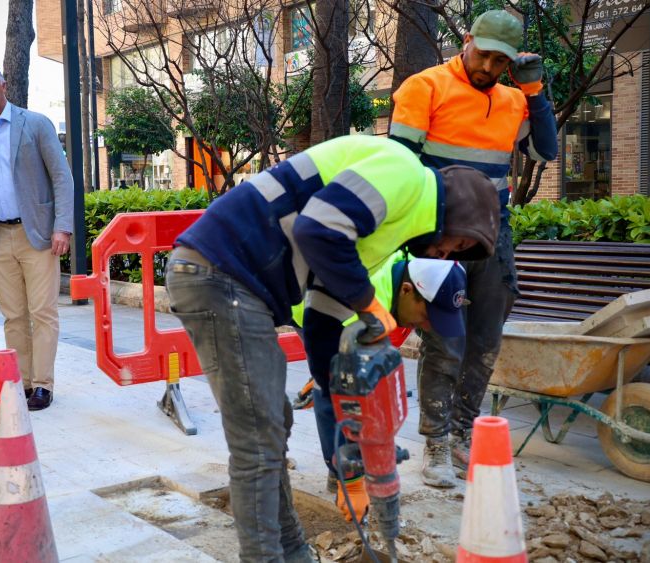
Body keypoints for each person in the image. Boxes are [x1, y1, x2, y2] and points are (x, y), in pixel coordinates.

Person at [165, 133, 500, 561]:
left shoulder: (383, 234)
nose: (448, 252)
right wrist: (369, 305)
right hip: (220, 272)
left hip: (234, 282)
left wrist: (345, 421)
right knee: (258, 441)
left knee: (273, 423)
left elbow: (322, 320)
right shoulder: (405, 173)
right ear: (458, 214)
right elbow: (318, 228)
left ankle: (293, 552)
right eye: (461, 244)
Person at [389, 9, 558, 488]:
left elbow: (544, 151)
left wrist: (534, 92)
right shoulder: (425, 87)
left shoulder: (512, 99)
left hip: (492, 233)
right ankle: (437, 443)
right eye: (482, 54)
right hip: (438, 232)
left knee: (484, 340)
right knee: (444, 340)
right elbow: (401, 166)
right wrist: (418, 240)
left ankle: (463, 432)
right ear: (466, 40)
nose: (487, 67)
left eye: (500, 61)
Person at [292, 252, 469, 521]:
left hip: (334, 307)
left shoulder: (405, 269)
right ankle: (339, 474)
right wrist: (351, 478)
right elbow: (333, 393)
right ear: (407, 290)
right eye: (427, 315)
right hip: (297, 303)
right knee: (334, 389)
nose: (427, 326)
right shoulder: (357, 311)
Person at [0, 62, 75, 411]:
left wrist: (62, 227)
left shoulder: (35, 123)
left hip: (37, 233)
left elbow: (61, 177)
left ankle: (43, 385)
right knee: (13, 316)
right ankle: (23, 383)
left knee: (43, 312)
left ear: (4, 85)